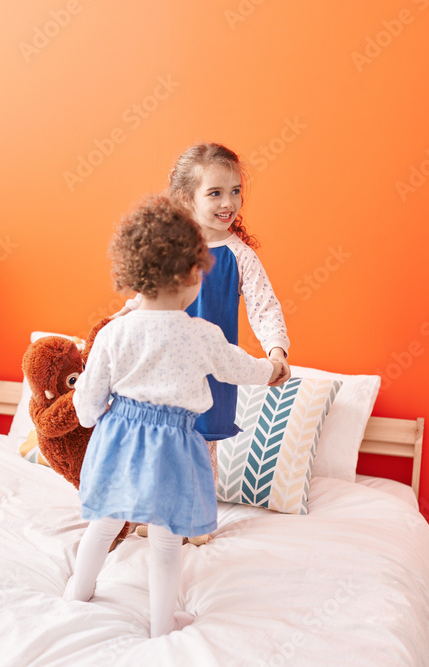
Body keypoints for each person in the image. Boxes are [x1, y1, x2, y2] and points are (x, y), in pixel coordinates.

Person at [66, 195, 281, 637]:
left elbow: (88, 396)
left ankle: (79, 591)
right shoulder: (201, 334)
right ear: (190, 277)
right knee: (165, 540)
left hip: (119, 440)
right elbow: (238, 367)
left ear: (133, 276)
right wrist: (272, 370)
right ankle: (162, 624)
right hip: (173, 447)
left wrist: (93, 418)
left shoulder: (113, 331)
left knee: (104, 522)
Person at [115, 143, 291, 487]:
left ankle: (198, 519)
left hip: (211, 369)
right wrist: (121, 318)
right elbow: (146, 298)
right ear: (185, 199)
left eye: (235, 191)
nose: (229, 203)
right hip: (162, 366)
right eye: (215, 193)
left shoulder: (239, 256)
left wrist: (276, 351)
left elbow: (264, 307)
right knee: (160, 441)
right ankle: (159, 513)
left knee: (200, 446)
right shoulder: (171, 249)